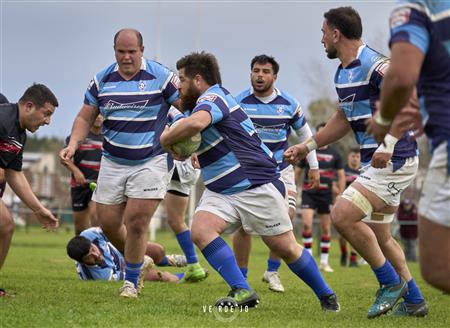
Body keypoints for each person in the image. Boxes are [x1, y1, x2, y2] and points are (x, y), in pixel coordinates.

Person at [160, 51, 339, 311]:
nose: (179, 85)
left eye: (182, 79)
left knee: (286, 247)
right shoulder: (197, 103)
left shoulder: (214, 97)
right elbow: (183, 123)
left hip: (256, 185)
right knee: (200, 230)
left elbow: (196, 124)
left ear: (198, 80)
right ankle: (242, 289)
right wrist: (184, 147)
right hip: (221, 190)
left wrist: (167, 140)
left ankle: (327, 295)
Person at [285, 7, 427, 318]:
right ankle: (414, 300)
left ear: (336, 34)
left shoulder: (375, 65)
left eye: (324, 32)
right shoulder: (342, 72)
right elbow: (342, 119)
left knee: (342, 215)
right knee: (380, 235)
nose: (321, 39)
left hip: (395, 159)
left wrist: (388, 145)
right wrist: (306, 146)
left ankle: (389, 284)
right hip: (376, 163)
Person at [59, 28, 187, 298]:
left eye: (132, 51)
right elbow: (84, 118)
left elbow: (187, 108)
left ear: (142, 50)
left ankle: (131, 282)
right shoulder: (102, 80)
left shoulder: (162, 77)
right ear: (114, 50)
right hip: (113, 161)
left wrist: (189, 142)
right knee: (106, 223)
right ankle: (142, 260)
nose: (126, 57)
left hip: (151, 160)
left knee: (136, 221)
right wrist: (73, 145)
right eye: (121, 51)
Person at [367, 0, 450, 294]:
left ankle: (404, 292)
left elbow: (401, 77)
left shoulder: (417, 10)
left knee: (437, 267)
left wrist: (384, 119)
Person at [232, 54, 319, 293]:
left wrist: (314, 166)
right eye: (256, 70)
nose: (260, 75)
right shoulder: (237, 102)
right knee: (242, 224)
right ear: (250, 73)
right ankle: (241, 278)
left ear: (275, 76)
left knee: (286, 218)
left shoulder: (289, 104)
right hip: (247, 171)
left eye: (265, 71)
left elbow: (305, 136)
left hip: (280, 171)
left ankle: (272, 272)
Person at [0, 85, 59, 297]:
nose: (48, 121)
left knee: (5, 225)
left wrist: (38, 209)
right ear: (29, 106)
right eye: (46, 114)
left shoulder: (20, 134)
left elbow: (14, 174)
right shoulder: (3, 118)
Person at [296, 123, 345, 273]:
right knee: (306, 225)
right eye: (320, 132)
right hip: (308, 193)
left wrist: (341, 193)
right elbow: (297, 171)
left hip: (326, 195)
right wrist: (291, 188)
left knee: (325, 228)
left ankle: (324, 262)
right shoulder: (309, 152)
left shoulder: (335, 154)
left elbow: (341, 175)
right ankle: (309, 259)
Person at [66, 227, 187, 284]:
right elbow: (129, 276)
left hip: (119, 251)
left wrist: (130, 248)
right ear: (82, 262)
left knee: (157, 250)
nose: (96, 255)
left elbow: (114, 231)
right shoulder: (101, 276)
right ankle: (178, 278)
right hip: (120, 268)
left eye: (93, 249)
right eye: (89, 257)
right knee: (154, 275)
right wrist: (138, 264)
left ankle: (168, 260)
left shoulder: (89, 235)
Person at [162, 158, 208, 276]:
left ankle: (133, 266)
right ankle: (194, 265)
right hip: (185, 168)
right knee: (175, 221)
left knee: (137, 220)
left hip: (174, 163)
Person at [61, 114, 103, 235]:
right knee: (80, 227)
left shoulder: (109, 137)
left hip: (98, 186)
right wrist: (76, 171)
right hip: (79, 186)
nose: (98, 117)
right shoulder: (78, 137)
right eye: (95, 114)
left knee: (96, 219)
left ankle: (101, 251)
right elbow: (64, 158)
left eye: (101, 114)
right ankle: (83, 252)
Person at [339, 147, 361, 267]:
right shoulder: (343, 170)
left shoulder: (363, 172)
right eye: (353, 156)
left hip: (358, 204)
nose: (355, 159)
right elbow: (336, 185)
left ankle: (353, 258)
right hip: (343, 204)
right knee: (342, 235)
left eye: (357, 157)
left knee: (355, 233)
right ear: (348, 157)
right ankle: (343, 253)